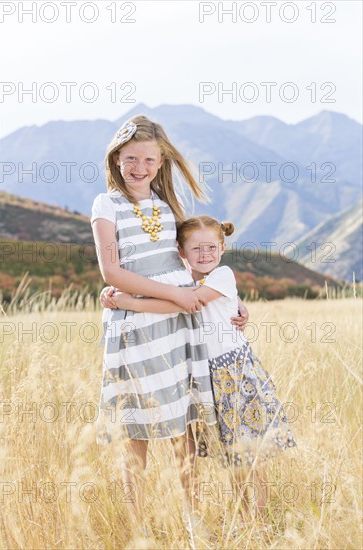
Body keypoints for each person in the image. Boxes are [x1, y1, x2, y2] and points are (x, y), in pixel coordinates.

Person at [91, 116, 247, 535]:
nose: (138, 167)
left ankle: (193, 523)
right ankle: (139, 528)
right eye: (130, 159)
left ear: (161, 164)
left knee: (184, 428)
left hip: (180, 329)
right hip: (138, 327)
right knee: (136, 431)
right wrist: (174, 298)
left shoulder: (166, 207)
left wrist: (232, 300)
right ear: (116, 159)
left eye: (148, 159)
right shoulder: (107, 205)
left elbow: (192, 266)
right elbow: (112, 271)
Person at [104, 215, 298, 532]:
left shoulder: (222, 274)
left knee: (249, 453)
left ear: (222, 248)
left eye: (211, 247)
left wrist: (124, 301)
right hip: (205, 378)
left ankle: (259, 521)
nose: (204, 254)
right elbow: (173, 293)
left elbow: (187, 303)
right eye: (196, 248)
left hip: (233, 373)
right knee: (229, 455)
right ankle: (242, 517)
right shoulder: (180, 279)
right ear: (181, 251)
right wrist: (114, 293)